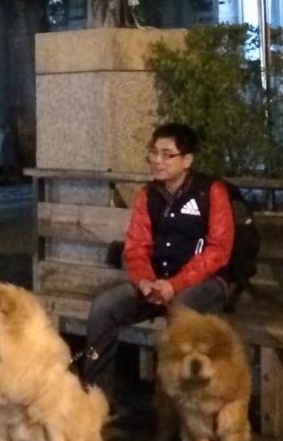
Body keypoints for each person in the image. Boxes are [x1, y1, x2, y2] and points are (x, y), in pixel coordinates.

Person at [78, 122, 234, 403]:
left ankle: (173, 405)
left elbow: (219, 250)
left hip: (206, 282)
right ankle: (96, 399)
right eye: (154, 152)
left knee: (180, 310)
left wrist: (175, 284)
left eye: (167, 154)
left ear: (187, 160)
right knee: (104, 307)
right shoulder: (147, 196)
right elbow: (136, 247)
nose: (157, 160)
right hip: (157, 282)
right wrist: (144, 281)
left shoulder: (211, 191)